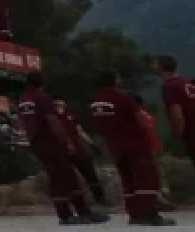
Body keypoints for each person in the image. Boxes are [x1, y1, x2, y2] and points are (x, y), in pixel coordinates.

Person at [17, 72, 107, 225]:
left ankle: (72, 212)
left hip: (37, 144)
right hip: (51, 143)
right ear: (42, 82)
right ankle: (74, 214)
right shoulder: (43, 97)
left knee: (57, 178)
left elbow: (23, 122)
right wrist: (66, 140)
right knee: (66, 177)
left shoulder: (23, 100)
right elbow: (52, 120)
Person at [89, 70, 173, 226]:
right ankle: (149, 214)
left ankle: (135, 214)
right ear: (114, 80)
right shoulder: (122, 97)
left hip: (115, 145)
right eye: (118, 77)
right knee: (147, 178)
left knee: (129, 180)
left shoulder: (95, 101)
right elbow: (139, 118)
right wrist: (150, 137)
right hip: (135, 144)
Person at [131, 92, 176, 212]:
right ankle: (158, 200)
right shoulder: (145, 115)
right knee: (154, 175)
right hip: (152, 147)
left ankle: (158, 200)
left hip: (149, 147)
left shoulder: (137, 115)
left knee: (153, 175)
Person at [53, 99, 105, 205]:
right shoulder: (52, 118)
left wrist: (92, 144)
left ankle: (99, 198)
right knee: (69, 178)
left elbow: (80, 131)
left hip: (78, 150)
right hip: (62, 151)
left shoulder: (70, 116)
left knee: (90, 174)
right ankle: (74, 201)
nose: (61, 105)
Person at [154, 54, 195, 169]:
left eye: (155, 64)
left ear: (161, 67)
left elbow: (177, 116)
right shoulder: (187, 83)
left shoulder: (169, 86)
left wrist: (177, 139)